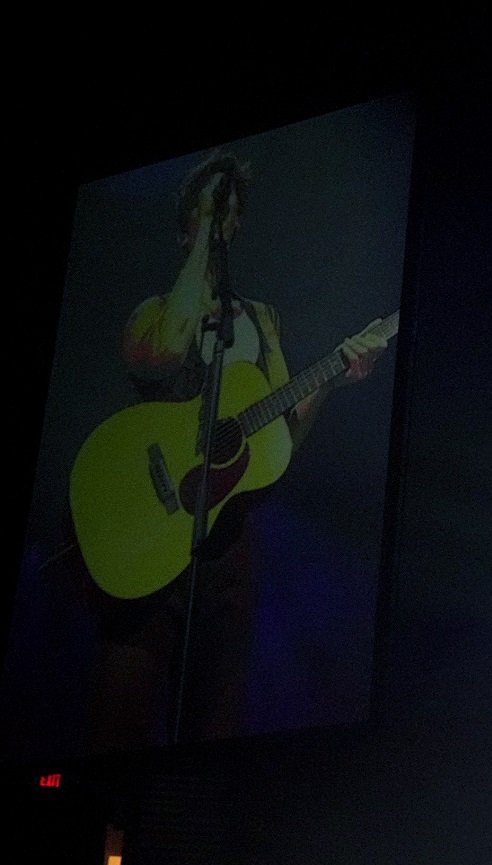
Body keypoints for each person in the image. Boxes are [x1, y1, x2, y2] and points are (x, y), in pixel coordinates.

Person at [83, 150, 388, 749]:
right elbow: (166, 349)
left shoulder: (262, 320)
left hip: (228, 554)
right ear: (185, 228)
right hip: (148, 546)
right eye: (207, 210)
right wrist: (201, 233)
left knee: (212, 735)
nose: (220, 218)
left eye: (228, 211)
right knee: (116, 732)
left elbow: (278, 448)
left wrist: (330, 380)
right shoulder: (153, 313)